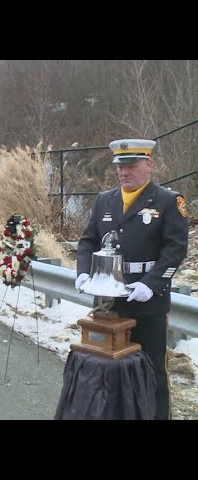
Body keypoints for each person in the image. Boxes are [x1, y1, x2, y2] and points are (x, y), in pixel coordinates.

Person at [75, 138, 189, 420]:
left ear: (149, 164)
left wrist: (151, 284)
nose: (124, 172)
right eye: (119, 166)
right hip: (109, 302)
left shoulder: (167, 201)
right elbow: (88, 241)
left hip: (148, 302)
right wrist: (83, 272)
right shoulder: (105, 200)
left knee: (151, 371)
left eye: (131, 165)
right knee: (109, 368)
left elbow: (175, 250)